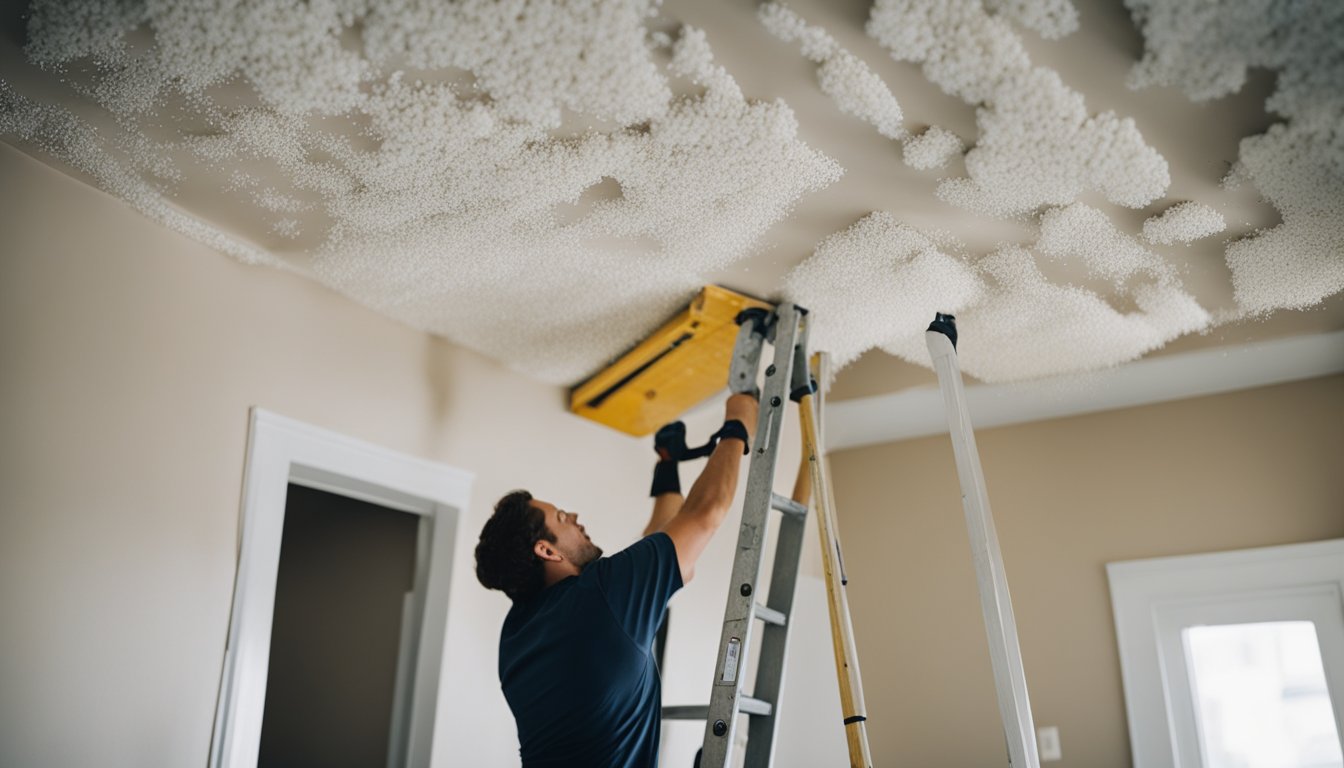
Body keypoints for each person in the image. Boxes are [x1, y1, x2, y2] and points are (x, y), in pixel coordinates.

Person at [475, 393, 759, 768]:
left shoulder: (517, 634)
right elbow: (706, 513)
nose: (574, 515)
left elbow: (658, 546)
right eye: (561, 517)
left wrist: (667, 467)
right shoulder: (603, 596)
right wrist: (740, 418)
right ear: (547, 551)